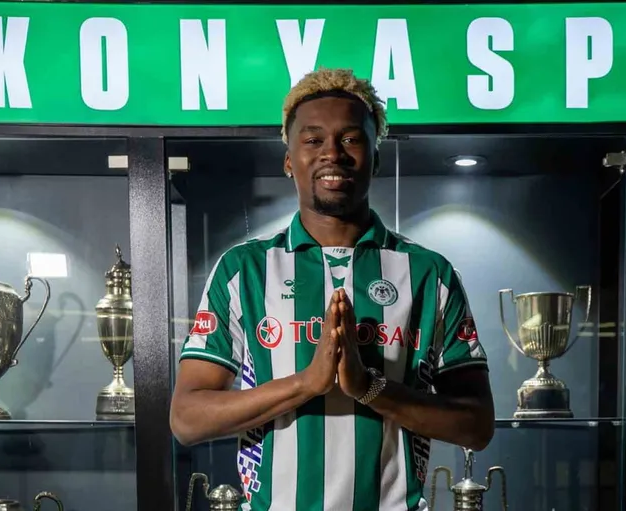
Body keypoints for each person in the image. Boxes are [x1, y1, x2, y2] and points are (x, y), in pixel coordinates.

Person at [170, 68, 494, 511]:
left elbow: (477, 424)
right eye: (313, 139)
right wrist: (306, 383)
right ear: (289, 160)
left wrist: (369, 387)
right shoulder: (243, 270)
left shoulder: (429, 273)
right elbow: (186, 419)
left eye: (351, 139)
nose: (332, 154)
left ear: (375, 158)